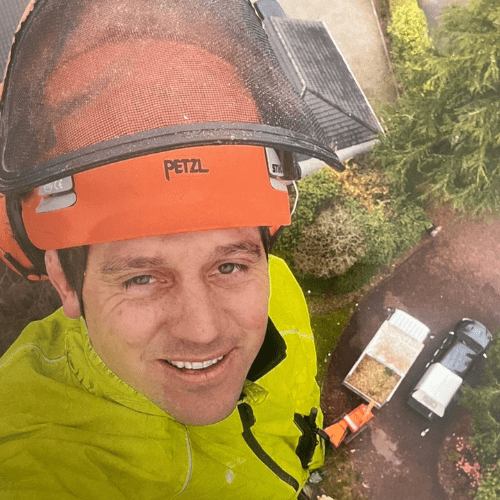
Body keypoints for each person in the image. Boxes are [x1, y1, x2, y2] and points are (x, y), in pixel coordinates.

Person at [0, 0, 344, 497]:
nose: (203, 331)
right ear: (63, 280)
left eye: (228, 265)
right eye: (141, 278)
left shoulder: (282, 296)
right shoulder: (33, 452)